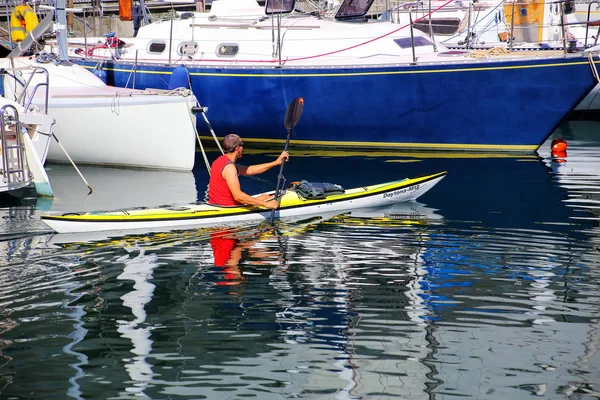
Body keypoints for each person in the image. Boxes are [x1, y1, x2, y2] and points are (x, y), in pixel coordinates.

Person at [208, 134, 289, 209]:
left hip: (215, 205)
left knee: (265, 196)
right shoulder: (230, 168)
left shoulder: (218, 162)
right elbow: (238, 196)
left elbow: (249, 170)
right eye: (243, 145)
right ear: (238, 148)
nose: (243, 148)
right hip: (229, 208)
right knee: (266, 199)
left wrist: (275, 162)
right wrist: (266, 204)